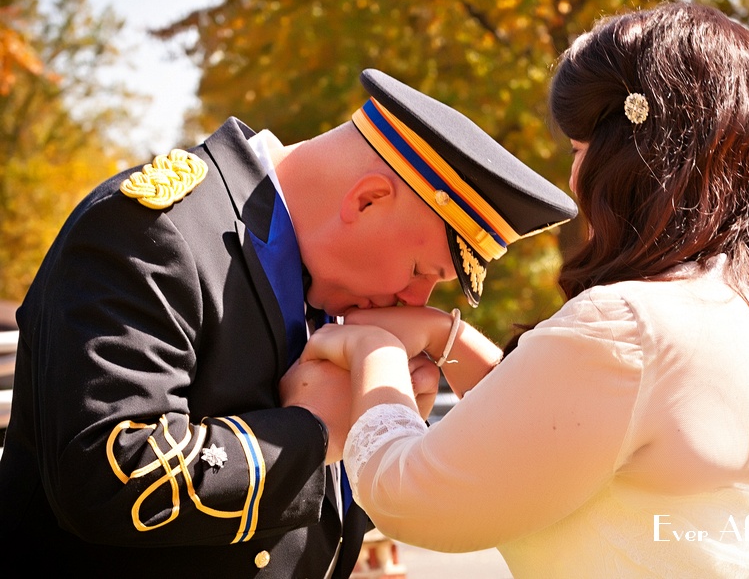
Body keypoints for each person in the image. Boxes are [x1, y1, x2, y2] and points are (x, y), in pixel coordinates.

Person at [294, 3, 749, 578]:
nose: (575, 175)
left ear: (628, 159)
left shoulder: (630, 326)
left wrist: (372, 353)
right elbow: (572, 430)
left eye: (580, 149)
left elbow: (412, 495)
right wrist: (446, 337)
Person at [0, 68, 577, 578]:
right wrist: (316, 430)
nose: (414, 300)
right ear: (367, 200)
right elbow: (107, 474)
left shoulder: (327, 275)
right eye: (420, 271)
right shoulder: (152, 229)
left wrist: (433, 352)